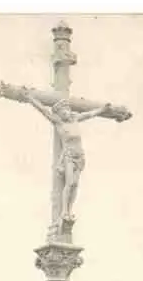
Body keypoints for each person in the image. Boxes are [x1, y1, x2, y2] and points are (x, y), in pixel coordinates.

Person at [24, 93, 110, 222]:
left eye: (66, 111)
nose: (65, 114)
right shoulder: (59, 123)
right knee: (69, 183)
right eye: (62, 112)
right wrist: (31, 99)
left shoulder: (75, 119)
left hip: (80, 156)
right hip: (69, 156)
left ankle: (70, 210)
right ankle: (64, 210)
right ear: (59, 114)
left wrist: (102, 109)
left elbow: (90, 114)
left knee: (75, 185)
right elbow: (43, 110)